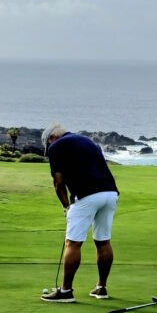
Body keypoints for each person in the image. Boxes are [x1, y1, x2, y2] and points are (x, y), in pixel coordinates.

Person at [39, 123, 119, 303]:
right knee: (103, 241)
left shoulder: (56, 146)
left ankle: (66, 291)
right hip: (110, 193)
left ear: (52, 138)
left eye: (48, 145)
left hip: (86, 196)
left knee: (73, 243)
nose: (49, 149)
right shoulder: (87, 140)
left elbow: (58, 183)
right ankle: (101, 288)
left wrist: (66, 207)